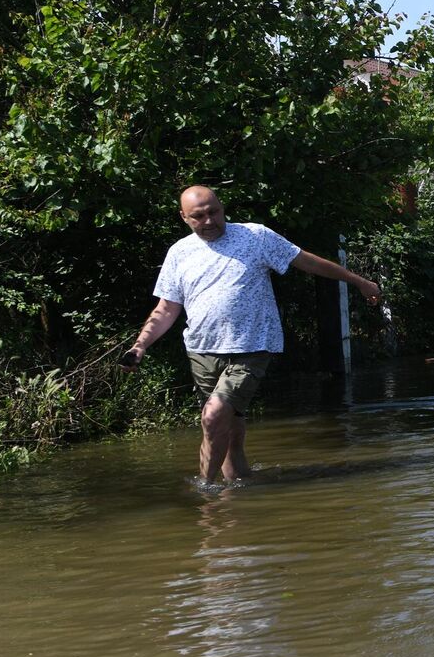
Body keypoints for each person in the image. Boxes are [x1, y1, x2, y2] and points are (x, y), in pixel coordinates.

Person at [120, 185, 383, 484]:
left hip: (252, 346)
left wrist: (357, 281)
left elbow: (306, 260)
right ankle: (239, 484)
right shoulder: (179, 253)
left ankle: (205, 493)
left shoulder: (254, 236)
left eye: (214, 212)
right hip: (202, 350)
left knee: (213, 415)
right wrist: (140, 346)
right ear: (184, 217)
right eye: (199, 216)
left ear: (222, 207)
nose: (209, 221)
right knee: (227, 426)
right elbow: (166, 309)